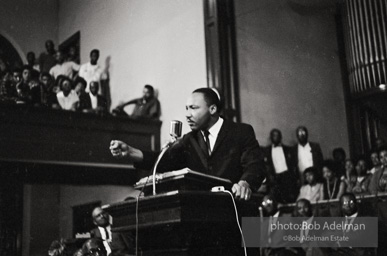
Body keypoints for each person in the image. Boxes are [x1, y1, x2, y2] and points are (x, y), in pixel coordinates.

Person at [110, 87, 265, 200]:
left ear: (212, 109)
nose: (187, 115)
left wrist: (245, 183)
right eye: (186, 108)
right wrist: (130, 152)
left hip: (240, 209)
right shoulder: (189, 139)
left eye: (193, 108)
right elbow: (164, 160)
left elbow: (255, 165)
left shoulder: (241, 131)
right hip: (205, 215)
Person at [262, 128, 297, 203]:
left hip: (286, 177)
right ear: (271, 137)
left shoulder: (288, 150)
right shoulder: (266, 151)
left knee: (289, 198)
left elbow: (293, 165)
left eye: (278, 135)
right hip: (274, 179)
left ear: (281, 137)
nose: (276, 137)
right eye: (274, 135)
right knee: (276, 200)